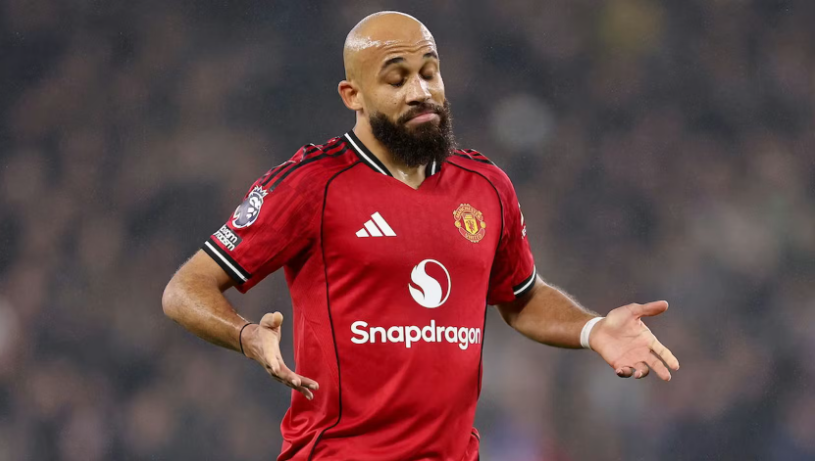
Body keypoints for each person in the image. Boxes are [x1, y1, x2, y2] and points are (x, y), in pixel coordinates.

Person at [162, 11, 680, 461]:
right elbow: (185, 289)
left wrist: (594, 330)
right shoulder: (310, 184)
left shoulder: (486, 186)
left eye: (429, 72)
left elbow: (521, 297)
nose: (420, 91)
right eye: (397, 79)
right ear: (352, 95)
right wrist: (246, 336)